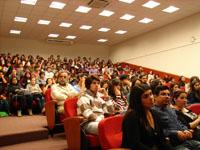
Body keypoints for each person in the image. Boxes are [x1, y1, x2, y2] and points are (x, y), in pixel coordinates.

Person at [122, 84, 173, 150]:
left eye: (151, 94)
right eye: (145, 96)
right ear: (138, 100)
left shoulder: (153, 112)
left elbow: (161, 138)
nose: (151, 98)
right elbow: (135, 144)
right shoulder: (132, 116)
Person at [152, 85, 200, 150]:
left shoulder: (170, 109)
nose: (167, 96)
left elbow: (178, 123)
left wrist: (186, 130)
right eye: (163, 94)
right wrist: (176, 133)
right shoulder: (153, 112)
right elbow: (159, 132)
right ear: (155, 96)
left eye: (168, 94)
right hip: (171, 144)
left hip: (184, 140)